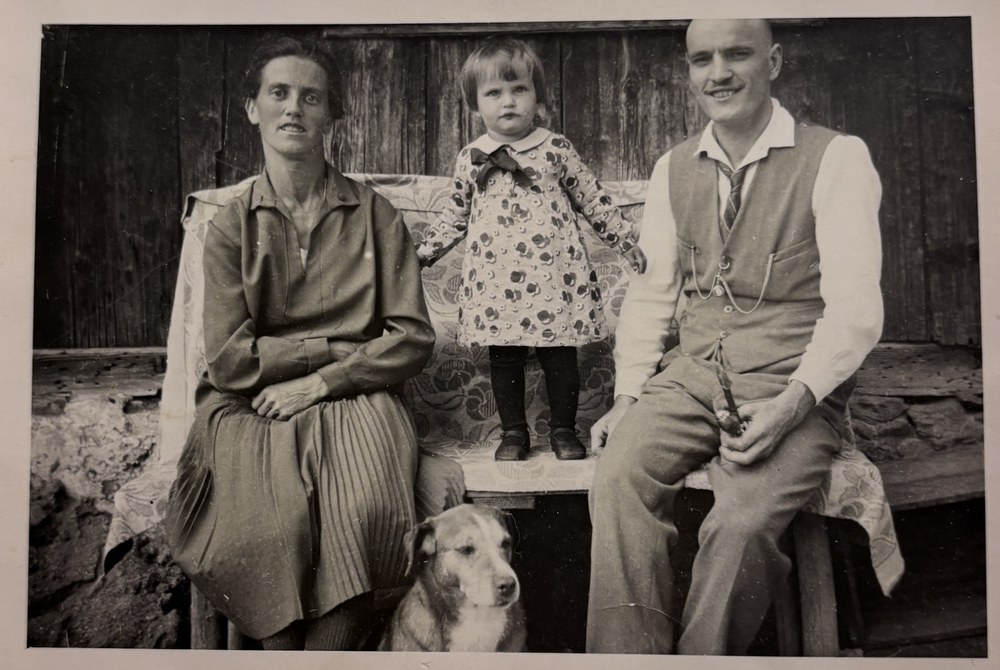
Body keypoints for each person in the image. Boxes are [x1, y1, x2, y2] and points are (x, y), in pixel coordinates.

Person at [586, 19, 883, 654]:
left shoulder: (836, 157)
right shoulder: (673, 167)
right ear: (689, 72)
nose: (718, 73)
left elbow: (856, 308)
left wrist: (792, 406)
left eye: (737, 54)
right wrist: (628, 396)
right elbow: (652, 293)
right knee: (617, 479)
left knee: (741, 526)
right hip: (691, 376)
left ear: (772, 62)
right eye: (703, 59)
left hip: (791, 384)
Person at [163, 36, 437, 650]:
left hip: (356, 396)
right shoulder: (231, 225)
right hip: (249, 402)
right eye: (279, 93)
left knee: (364, 514)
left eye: (311, 97)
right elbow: (229, 360)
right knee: (266, 528)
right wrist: (329, 350)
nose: (294, 108)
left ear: (331, 114)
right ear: (252, 108)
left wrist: (325, 378)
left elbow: (412, 339)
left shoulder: (375, 215)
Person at [415, 37, 646, 462]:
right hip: (496, 284)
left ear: (537, 96)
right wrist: (421, 254)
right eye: (493, 93)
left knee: (560, 357)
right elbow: (454, 216)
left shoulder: (555, 148)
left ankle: (563, 430)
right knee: (504, 359)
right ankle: (513, 433)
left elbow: (592, 199)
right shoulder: (472, 157)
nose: (508, 101)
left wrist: (625, 241)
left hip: (553, 277)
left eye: (519, 89)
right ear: (474, 104)